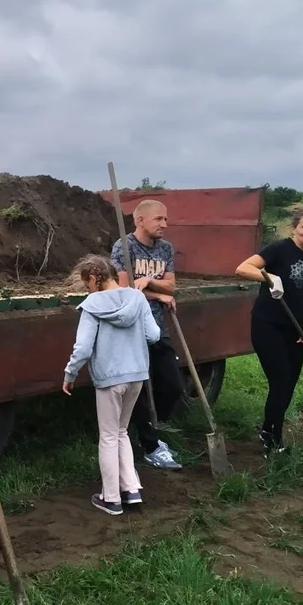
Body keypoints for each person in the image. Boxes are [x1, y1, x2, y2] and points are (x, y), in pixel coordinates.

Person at [62, 254, 161, 516]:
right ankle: (132, 489)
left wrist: (70, 374)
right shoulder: (138, 298)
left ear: (94, 279)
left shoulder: (92, 305)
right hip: (137, 375)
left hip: (109, 379)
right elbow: (154, 335)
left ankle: (111, 498)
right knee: (121, 432)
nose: (88, 289)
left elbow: (83, 348)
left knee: (108, 436)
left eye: (87, 283)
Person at [235, 206, 303, 454]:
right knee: (281, 380)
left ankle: (269, 426)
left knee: (289, 384)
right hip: (268, 325)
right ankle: (272, 436)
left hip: (296, 330)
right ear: (294, 229)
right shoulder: (280, 249)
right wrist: (270, 278)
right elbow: (243, 267)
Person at [110, 199, 183, 471]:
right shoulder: (124, 248)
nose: (165, 224)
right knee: (140, 390)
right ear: (140, 221)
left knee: (172, 386)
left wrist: (150, 282)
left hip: (158, 328)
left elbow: (172, 286)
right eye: (159, 219)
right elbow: (124, 290)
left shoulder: (165, 248)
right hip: (132, 329)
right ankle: (150, 445)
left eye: (165, 219)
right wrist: (157, 293)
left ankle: (150, 429)